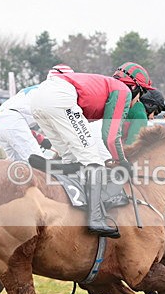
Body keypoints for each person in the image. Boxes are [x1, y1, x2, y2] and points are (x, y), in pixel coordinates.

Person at [30, 62, 154, 238]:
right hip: (59, 98)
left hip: (38, 99)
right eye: (141, 94)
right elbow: (110, 136)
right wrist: (122, 162)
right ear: (134, 87)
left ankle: (63, 195)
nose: (138, 101)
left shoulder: (106, 87)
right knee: (93, 161)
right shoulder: (123, 91)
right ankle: (96, 218)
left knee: (72, 159)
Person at [0, 64, 74, 162]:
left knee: (18, 167)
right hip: (13, 121)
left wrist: (40, 138)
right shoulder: (54, 93)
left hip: (0, 122)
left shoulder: (38, 89)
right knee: (39, 164)